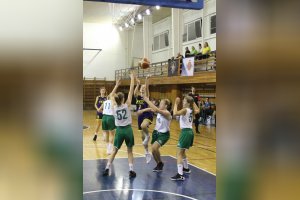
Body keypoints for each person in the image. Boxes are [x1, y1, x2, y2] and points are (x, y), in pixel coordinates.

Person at [103, 72, 137, 178]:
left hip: (119, 131)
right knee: (130, 151)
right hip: (128, 130)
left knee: (114, 151)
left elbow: (110, 96)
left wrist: (116, 85)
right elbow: (131, 90)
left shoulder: (113, 107)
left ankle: (107, 168)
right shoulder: (127, 105)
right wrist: (132, 79)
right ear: (123, 99)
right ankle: (131, 170)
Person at [170, 96, 199, 181]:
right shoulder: (192, 110)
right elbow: (198, 110)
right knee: (183, 152)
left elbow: (174, 113)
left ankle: (180, 174)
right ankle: (186, 168)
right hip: (190, 132)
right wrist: (193, 102)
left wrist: (175, 103)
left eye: (184, 100)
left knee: (179, 153)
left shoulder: (185, 110)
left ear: (188, 103)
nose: (183, 101)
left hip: (185, 132)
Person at [142, 93, 172, 172]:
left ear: (166, 106)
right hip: (156, 132)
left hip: (164, 134)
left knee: (154, 148)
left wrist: (147, 100)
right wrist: (142, 110)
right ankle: (159, 164)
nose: (160, 104)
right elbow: (152, 109)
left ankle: (160, 163)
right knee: (153, 151)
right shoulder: (159, 111)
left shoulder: (167, 113)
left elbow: (156, 109)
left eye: (161, 103)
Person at [134, 76, 153, 163]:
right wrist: (138, 84)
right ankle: (147, 152)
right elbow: (134, 92)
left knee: (143, 125)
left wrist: (146, 80)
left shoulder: (147, 96)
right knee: (143, 138)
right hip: (140, 117)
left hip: (147, 115)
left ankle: (148, 136)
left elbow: (147, 86)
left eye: (144, 88)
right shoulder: (137, 96)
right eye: (142, 88)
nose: (143, 89)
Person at [98, 80, 120, 154]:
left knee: (106, 133)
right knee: (112, 134)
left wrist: (104, 112)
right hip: (110, 118)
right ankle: (109, 149)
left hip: (104, 117)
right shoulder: (113, 102)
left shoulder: (105, 102)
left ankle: (107, 147)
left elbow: (99, 110)